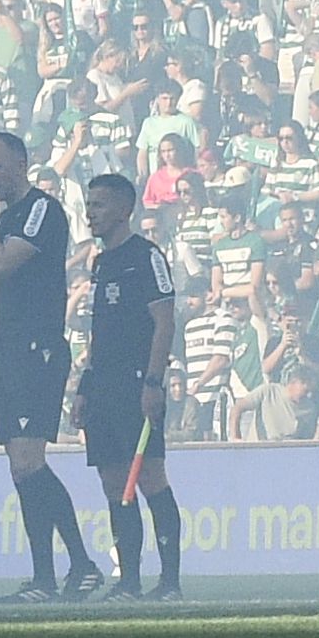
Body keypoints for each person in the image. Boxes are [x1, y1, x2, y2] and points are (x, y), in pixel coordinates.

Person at [0, 131, 99, 601]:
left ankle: (76, 565)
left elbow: (1, 266)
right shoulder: (3, 221)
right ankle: (50, 575)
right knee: (20, 469)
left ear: (20, 164)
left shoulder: (40, 211)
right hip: (9, 351)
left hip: (37, 348)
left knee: (28, 461)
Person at [78, 170, 185, 598]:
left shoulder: (146, 255)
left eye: (99, 205)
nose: (91, 213)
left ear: (124, 209)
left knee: (149, 477)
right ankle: (129, 581)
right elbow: (99, 332)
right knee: (112, 482)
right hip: (102, 385)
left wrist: (154, 382)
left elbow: (164, 321)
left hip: (137, 384)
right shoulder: (100, 263)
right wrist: (85, 385)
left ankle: (171, 581)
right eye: (89, 205)